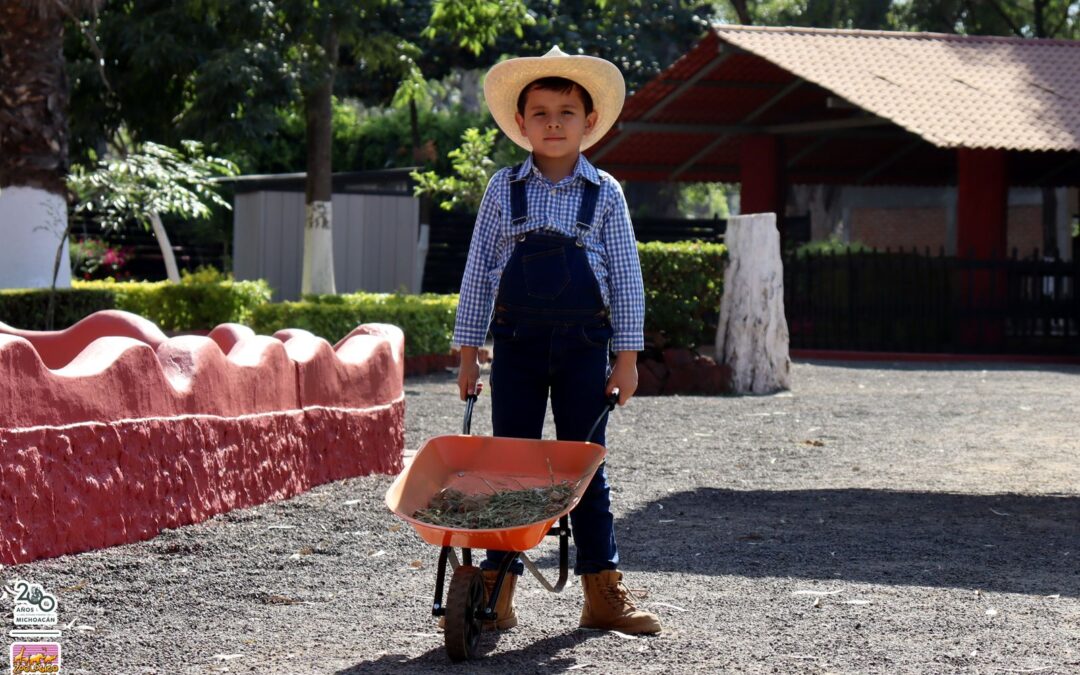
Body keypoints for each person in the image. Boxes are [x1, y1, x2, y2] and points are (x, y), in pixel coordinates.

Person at [452, 46, 661, 636]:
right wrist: (468, 355)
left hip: (583, 349)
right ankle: (496, 589)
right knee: (509, 469)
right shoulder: (503, 188)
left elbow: (626, 278)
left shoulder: (606, 192)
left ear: (588, 122)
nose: (552, 123)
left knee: (584, 467)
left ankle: (602, 591)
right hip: (515, 346)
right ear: (519, 123)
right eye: (539, 112)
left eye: (565, 112)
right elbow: (477, 273)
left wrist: (626, 359)